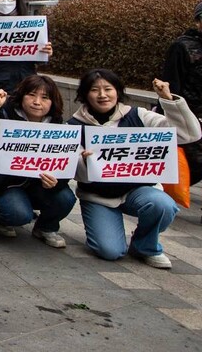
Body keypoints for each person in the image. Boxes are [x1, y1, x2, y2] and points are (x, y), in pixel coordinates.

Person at [68, 69, 200, 269]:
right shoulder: (73, 125)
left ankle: (145, 246)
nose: (102, 95)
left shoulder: (139, 115)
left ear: (118, 91)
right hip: (99, 197)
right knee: (110, 251)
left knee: (162, 204)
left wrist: (168, 99)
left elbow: (187, 135)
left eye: (108, 89)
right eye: (95, 90)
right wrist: (84, 162)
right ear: (85, 95)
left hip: (139, 191)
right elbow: (72, 171)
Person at [0, 75, 76, 248]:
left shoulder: (58, 127)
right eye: (31, 95)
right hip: (5, 186)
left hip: (37, 186)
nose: (37, 102)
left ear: (53, 102)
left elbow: (63, 166)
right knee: (18, 214)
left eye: (44, 98)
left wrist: (56, 182)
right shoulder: (5, 115)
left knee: (65, 197)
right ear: (21, 95)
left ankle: (45, 227)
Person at [161, 1, 202, 207]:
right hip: (189, 115)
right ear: (197, 21)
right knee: (193, 166)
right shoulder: (182, 46)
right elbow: (171, 83)